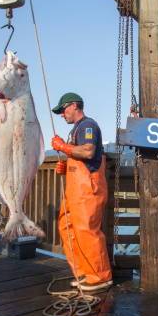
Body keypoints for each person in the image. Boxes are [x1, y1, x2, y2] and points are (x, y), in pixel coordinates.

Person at [50, 92, 112, 292]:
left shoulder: (87, 125)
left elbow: (87, 152)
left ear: (74, 105)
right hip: (75, 189)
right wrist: (66, 166)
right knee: (67, 227)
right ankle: (83, 272)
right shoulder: (76, 129)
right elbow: (77, 156)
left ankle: (100, 276)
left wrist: (61, 147)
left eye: (63, 110)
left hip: (88, 187)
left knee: (86, 229)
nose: (61, 114)